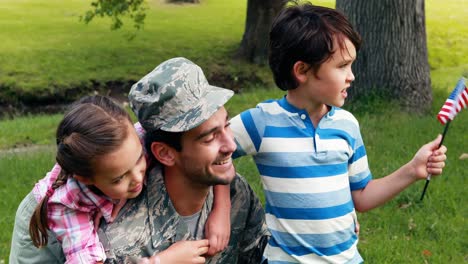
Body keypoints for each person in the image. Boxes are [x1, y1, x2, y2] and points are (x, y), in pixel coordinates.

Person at [229, 3, 447, 263]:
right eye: (342, 66)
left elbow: (362, 197)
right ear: (302, 71)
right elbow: (212, 153)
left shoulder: (347, 125)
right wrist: (222, 209)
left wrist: (412, 169)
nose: (351, 76)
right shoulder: (261, 122)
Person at [9, 95, 232, 263]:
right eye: (119, 178)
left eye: (138, 160)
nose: (137, 178)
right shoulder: (68, 206)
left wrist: (221, 209)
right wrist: (162, 261)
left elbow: (220, 154)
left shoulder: (137, 138)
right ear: (87, 179)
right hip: (42, 228)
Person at [97, 57, 269, 263]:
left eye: (227, 125)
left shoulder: (236, 193)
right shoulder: (119, 240)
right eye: (210, 137)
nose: (230, 145)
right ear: (165, 153)